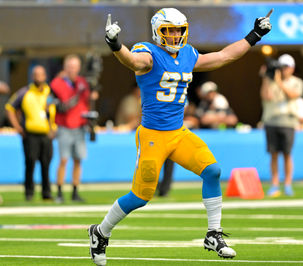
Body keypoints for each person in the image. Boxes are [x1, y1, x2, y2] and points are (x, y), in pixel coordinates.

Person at [88, 8, 272, 265]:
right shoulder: (148, 53)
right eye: (169, 30)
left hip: (178, 132)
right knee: (141, 196)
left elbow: (222, 56)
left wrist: (254, 35)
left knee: (212, 171)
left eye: (178, 30)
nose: (175, 36)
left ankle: (213, 234)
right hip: (153, 135)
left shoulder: (188, 54)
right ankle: (101, 231)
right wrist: (116, 45)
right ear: (157, 32)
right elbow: (132, 61)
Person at [51, 54, 98, 203]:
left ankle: (75, 191)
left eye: (75, 67)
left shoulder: (82, 82)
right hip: (64, 126)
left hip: (79, 125)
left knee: (78, 159)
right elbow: (61, 104)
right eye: (70, 67)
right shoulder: (57, 83)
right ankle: (59, 191)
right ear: (65, 68)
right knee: (64, 159)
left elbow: (86, 102)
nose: (72, 70)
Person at [5, 65, 56, 201]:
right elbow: (9, 107)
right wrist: (17, 126)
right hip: (30, 134)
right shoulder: (24, 92)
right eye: (35, 74)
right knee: (30, 163)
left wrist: (53, 128)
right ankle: (29, 192)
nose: (38, 77)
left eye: (40, 74)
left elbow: (54, 110)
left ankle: (47, 192)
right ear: (32, 77)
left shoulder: (49, 92)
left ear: (45, 76)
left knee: (46, 164)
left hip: (46, 134)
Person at [259, 54, 303, 197]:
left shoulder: (297, 82)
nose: (283, 70)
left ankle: (288, 184)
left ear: (292, 68)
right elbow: (266, 96)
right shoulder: (271, 82)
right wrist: (266, 77)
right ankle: (274, 184)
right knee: (273, 154)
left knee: (287, 154)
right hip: (271, 121)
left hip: (288, 122)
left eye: (286, 67)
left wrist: (279, 82)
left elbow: (292, 95)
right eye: (281, 67)